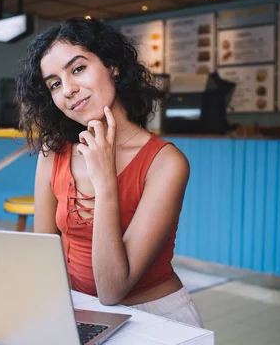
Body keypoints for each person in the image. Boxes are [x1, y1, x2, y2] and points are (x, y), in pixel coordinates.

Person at [15, 17, 203, 327]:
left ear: (112, 66)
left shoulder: (166, 162)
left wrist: (105, 183)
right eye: (55, 84)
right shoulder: (53, 154)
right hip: (81, 312)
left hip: (157, 319)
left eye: (78, 69)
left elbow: (113, 289)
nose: (69, 90)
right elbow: (44, 260)